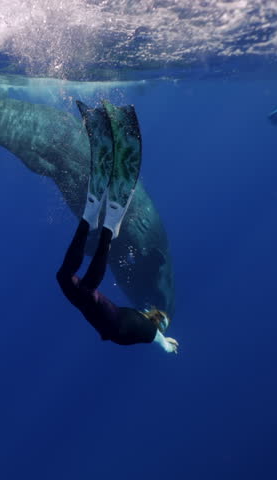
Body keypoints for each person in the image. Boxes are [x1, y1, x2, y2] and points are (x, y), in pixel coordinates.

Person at [56, 100, 179, 353]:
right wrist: (164, 343)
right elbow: (154, 332)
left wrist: (162, 337)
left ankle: (90, 219)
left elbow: (153, 327)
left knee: (66, 279)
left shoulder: (143, 322)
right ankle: (110, 227)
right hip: (116, 323)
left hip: (115, 322)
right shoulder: (146, 328)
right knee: (84, 288)